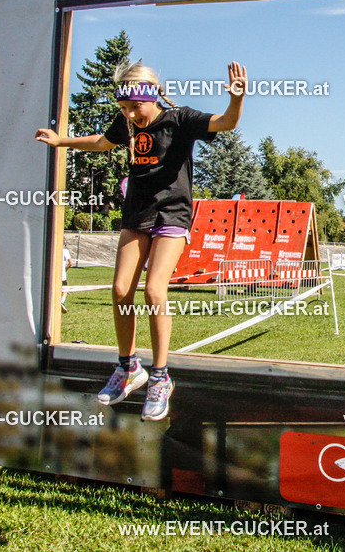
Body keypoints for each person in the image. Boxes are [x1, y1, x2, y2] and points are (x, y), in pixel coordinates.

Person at [36, 59, 246, 421]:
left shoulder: (179, 119)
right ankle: (129, 367)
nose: (131, 115)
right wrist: (61, 141)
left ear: (153, 97)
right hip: (137, 213)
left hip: (172, 217)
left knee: (154, 291)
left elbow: (225, 123)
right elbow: (103, 143)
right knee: (120, 290)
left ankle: (161, 377)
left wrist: (237, 99)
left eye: (136, 107)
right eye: (124, 109)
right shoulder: (128, 123)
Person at [61, 242, 73, 313]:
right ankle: (62, 302)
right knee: (65, 288)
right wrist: (66, 269)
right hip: (62, 273)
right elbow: (70, 263)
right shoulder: (65, 251)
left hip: (53, 272)